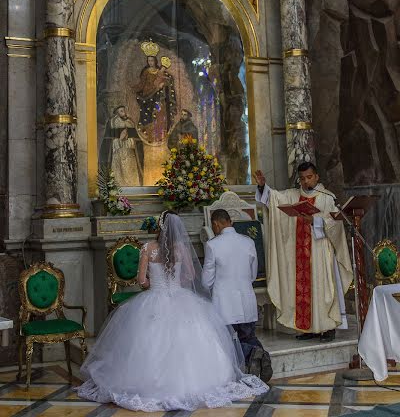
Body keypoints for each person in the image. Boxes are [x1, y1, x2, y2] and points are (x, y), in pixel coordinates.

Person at [77, 211, 268, 411]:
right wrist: (176, 283)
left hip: (154, 298)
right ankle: (210, 378)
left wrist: (154, 285)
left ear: (159, 227)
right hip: (180, 296)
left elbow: (141, 279)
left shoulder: (148, 248)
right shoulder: (181, 249)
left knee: (147, 343)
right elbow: (191, 275)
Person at [255, 162, 353, 341]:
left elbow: (336, 225)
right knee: (302, 288)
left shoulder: (327, 197)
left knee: (321, 289)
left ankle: (327, 327)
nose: (305, 181)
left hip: (320, 252)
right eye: (301, 178)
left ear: (317, 177)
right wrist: (262, 186)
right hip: (298, 253)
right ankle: (310, 329)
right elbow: (274, 198)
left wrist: (315, 221)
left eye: (309, 177)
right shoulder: (293, 195)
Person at [202, 209, 272, 383]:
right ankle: (258, 355)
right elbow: (253, 274)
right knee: (248, 334)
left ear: (216, 223)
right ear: (230, 221)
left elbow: (206, 280)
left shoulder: (213, 245)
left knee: (228, 340)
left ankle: (249, 356)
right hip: (246, 298)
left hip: (224, 302)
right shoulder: (248, 242)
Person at [133, 53, 177, 144]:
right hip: (147, 97)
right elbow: (142, 84)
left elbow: (168, 80)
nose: (150, 62)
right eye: (149, 60)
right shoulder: (145, 72)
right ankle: (149, 135)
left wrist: (164, 84)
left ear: (155, 61)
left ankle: (158, 136)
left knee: (159, 115)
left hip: (158, 97)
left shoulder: (160, 72)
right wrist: (134, 88)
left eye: (152, 60)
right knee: (147, 117)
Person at [99, 105, 144, 186]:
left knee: (130, 169)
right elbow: (108, 139)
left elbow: (136, 138)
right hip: (118, 151)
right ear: (117, 113)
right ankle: (117, 187)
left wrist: (129, 138)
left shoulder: (130, 122)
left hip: (129, 151)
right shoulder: (112, 122)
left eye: (124, 110)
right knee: (118, 171)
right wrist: (119, 139)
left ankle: (133, 185)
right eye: (121, 111)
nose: (124, 113)